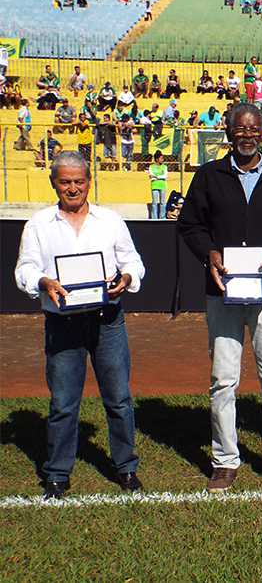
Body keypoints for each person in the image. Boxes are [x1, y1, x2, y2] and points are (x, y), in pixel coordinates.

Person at [177, 102, 262, 493]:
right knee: (223, 380)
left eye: (254, 129)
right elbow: (190, 225)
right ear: (229, 133)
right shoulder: (209, 175)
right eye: (240, 129)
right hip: (224, 294)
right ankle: (225, 460)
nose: (247, 136)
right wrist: (210, 254)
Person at [15, 150, 146, 500]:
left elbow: (132, 260)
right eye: (65, 182)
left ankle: (126, 467)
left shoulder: (110, 220)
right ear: (53, 183)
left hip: (107, 319)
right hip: (63, 323)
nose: (73, 188)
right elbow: (25, 268)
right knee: (63, 403)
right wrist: (43, 281)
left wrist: (126, 278)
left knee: (119, 399)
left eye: (79, 181)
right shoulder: (39, 224)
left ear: (89, 181)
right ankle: (58, 473)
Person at [148, 150, 168, 219]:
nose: (162, 160)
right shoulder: (151, 167)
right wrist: (160, 175)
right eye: (161, 158)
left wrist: (156, 176)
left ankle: (162, 217)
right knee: (154, 203)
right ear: (157, 159)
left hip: (162, 185)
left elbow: (165, 176)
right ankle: (154, 217)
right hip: (154, 186)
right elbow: (151, 176)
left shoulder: (164, 166)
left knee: (162, 202)